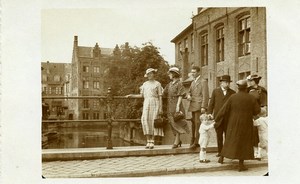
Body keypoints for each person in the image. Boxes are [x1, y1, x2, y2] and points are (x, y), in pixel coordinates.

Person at [214, 80, 261, 172]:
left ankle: (221, 158)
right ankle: (241, 165)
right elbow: (257, 111)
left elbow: (224, 110)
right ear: (246, 87)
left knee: (229, 140)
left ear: (238, 88)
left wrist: (216, 119)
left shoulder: (233, 97)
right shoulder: (251, 98)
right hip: (246, 124)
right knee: (243, 143)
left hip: (233, 123)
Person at [126, 68, 164, 149]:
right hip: (147, 103)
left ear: (154, 74)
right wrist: (131, 95)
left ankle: (152, 141)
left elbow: (160, 96)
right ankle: (148, 141)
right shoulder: (145, 84)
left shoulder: (158, 84)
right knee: (145, 120)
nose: (150, 75)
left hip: (155, 102)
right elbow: (142, 95)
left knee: (154, 120)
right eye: (148, 74)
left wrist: (160, 108)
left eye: (151, 73)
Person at [207, 75, 236, 162]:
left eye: (228, 82)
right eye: (225, 82)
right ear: (221, 82)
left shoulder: (233, 92)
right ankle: (220, 152)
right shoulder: (215, 91)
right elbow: (211, 103)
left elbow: (234, 106)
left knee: (228, 136)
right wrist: (209, 113)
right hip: (218, 118)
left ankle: (227, 152)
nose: (227, 84)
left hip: (228, 118)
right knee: (219, 135)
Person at [163, 67, 189, 149]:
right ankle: (178, 140)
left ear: (174, 74)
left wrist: (178, 105)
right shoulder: (170, 84)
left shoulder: (179, 83)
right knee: (172, 122)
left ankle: (177, 141)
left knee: (177, 121)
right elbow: (164, 92)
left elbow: (181, 95)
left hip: (176, 104)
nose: (169, 75)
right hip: (170, 105)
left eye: (170, 74)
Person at [186, 66, 209, 149]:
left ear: (199, 72)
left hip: (199, 105)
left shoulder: (203, 81)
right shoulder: (193, 82)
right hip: (193, 105)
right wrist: (188, 95)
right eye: (192, 72)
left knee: (198, 123)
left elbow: (205, 95)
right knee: (193, 123)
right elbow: (189, 92)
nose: (192, 73)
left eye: (194, 72)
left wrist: (203, 106)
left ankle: (197, 142)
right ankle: (193, 139)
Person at [247, 74, 268, 160]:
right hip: (248, 115)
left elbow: (264, 106)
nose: (249, 82)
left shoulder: (261, 90)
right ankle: (250, 152)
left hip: (257, 116)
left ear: (255, 81)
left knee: (258, 134)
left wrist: (259, 115)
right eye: (249, 80)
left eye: (251, 80)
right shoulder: (246, 90)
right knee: (250, 133)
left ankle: (257, 153)